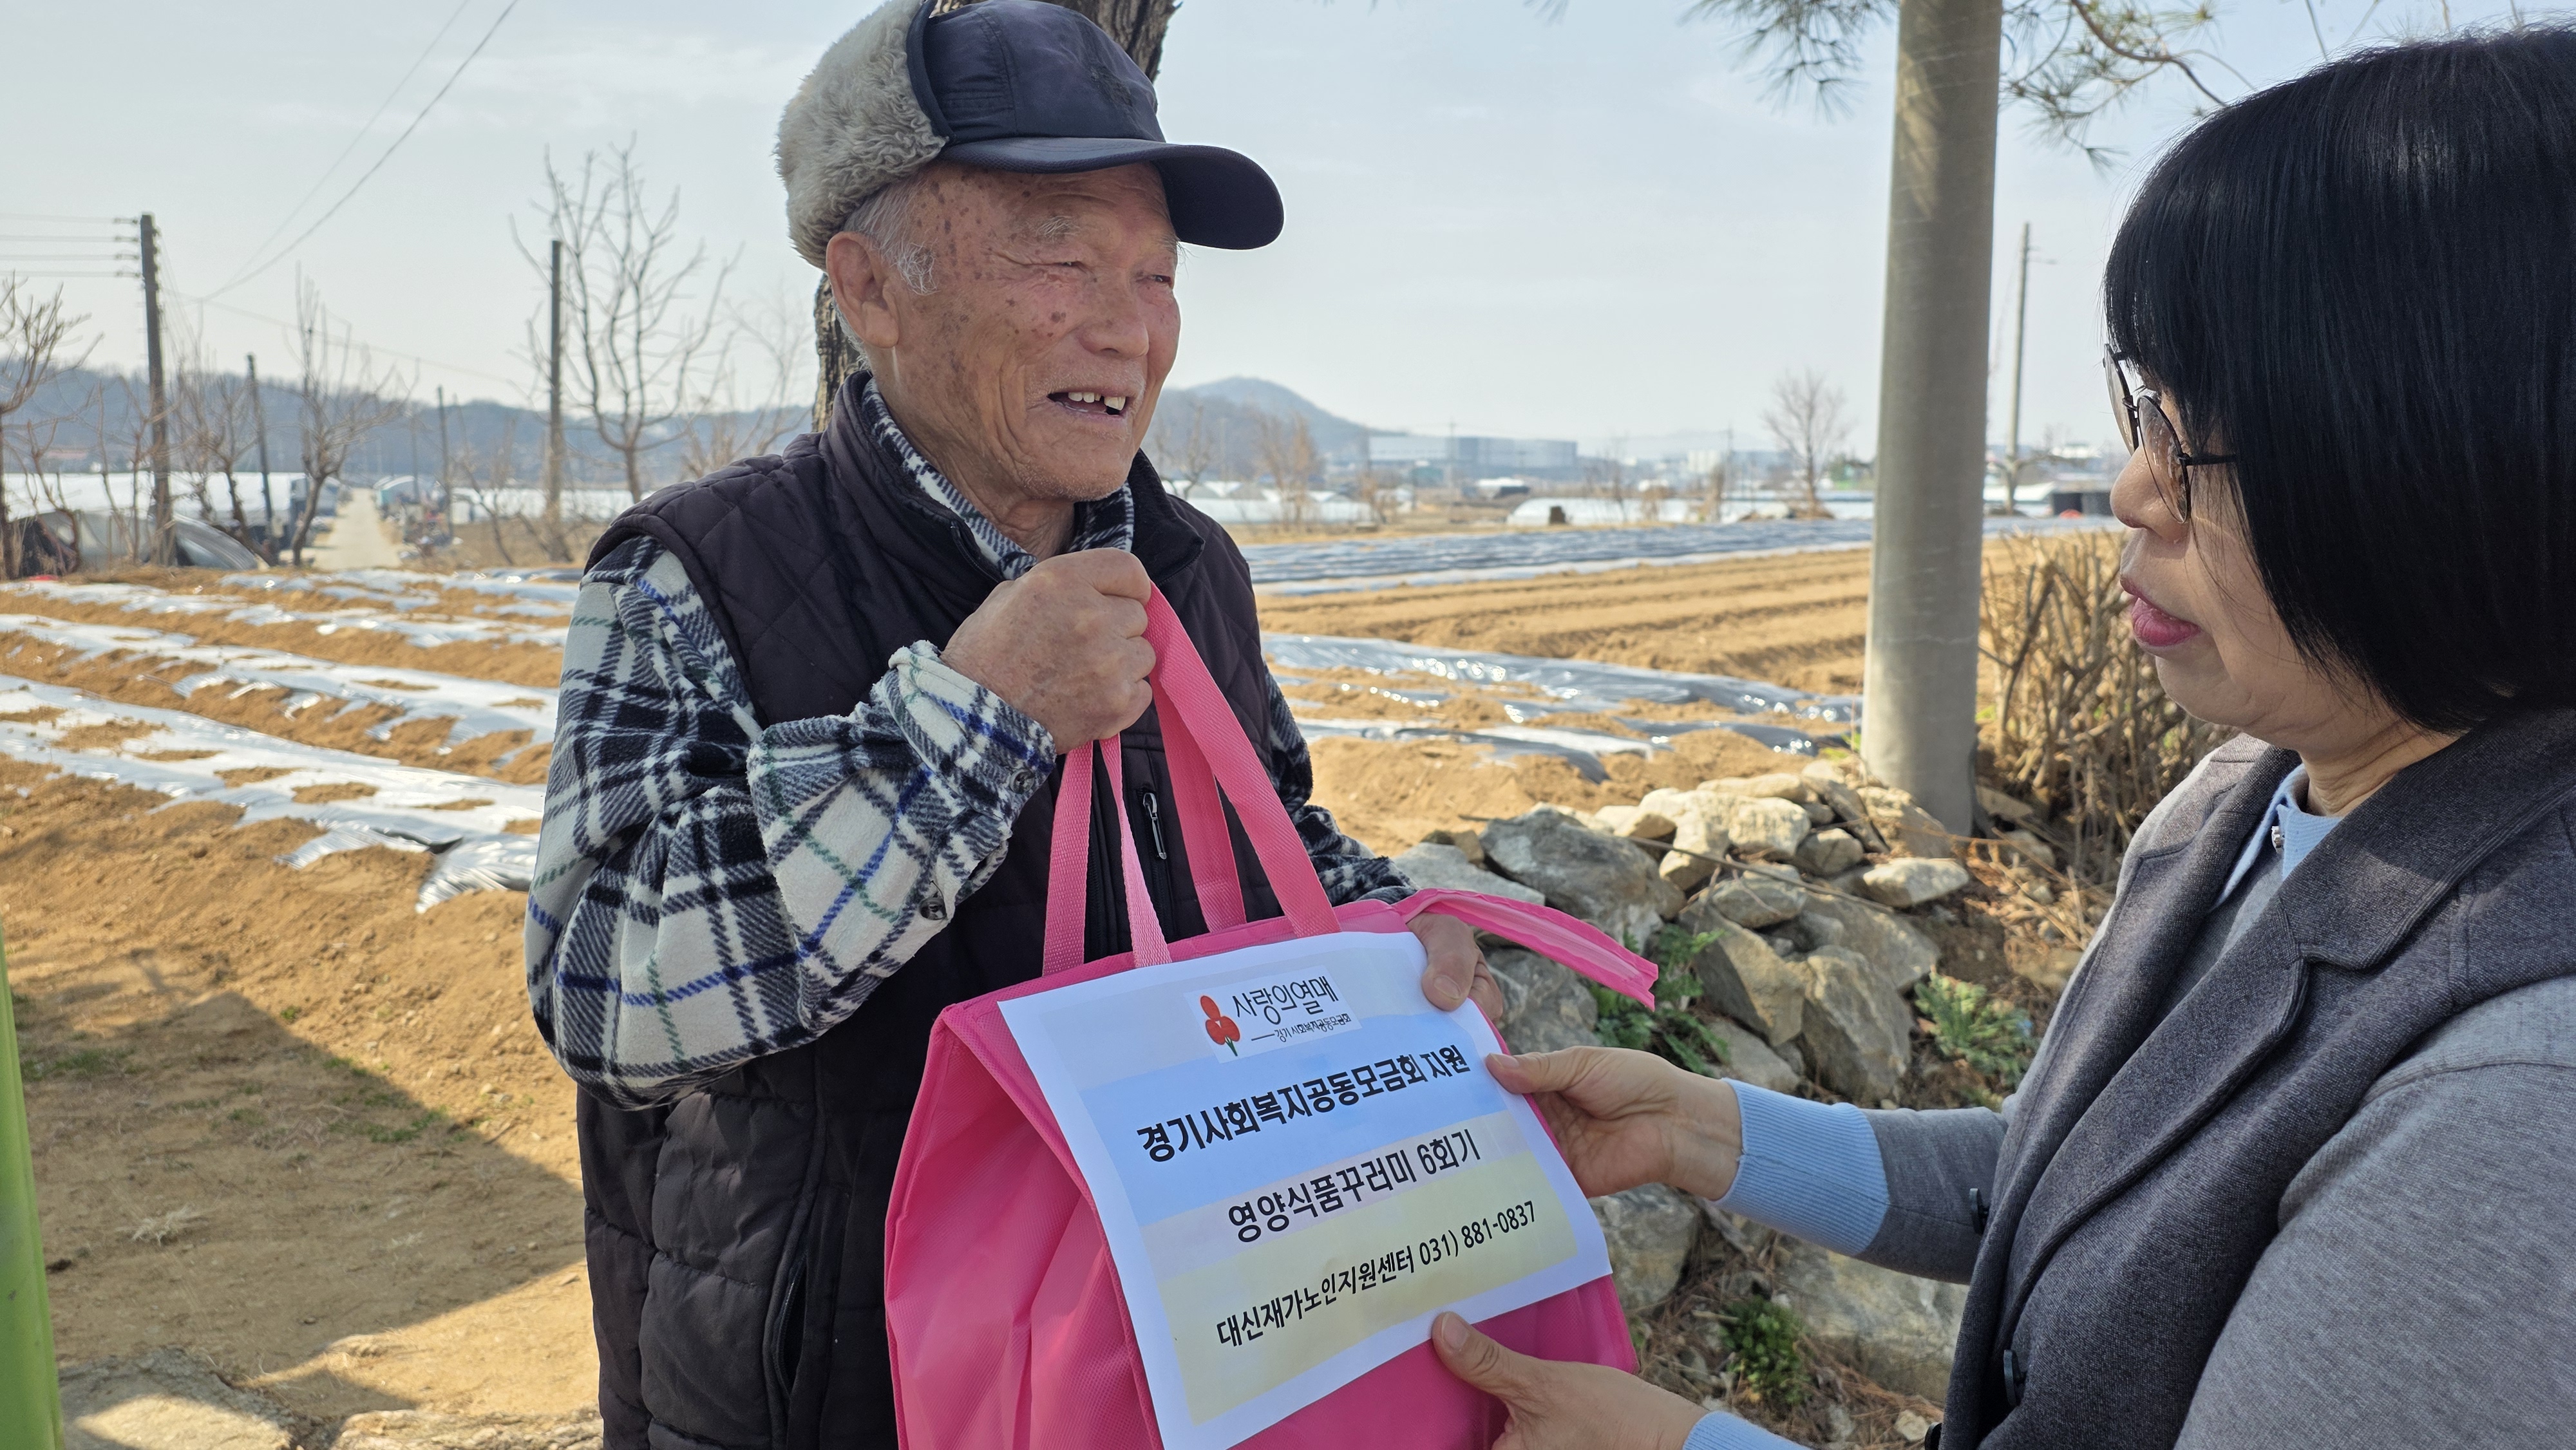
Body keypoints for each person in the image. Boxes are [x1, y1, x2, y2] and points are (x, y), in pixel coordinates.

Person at [1428, 26, 2576, 1450]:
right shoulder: (2247, 804)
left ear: (2457, 465)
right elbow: (2069, 1181)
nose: (2132, 488)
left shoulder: (2515, 1101)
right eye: (2145, 408)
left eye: (2201, 435)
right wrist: (1699, 1129)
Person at [522, 5, 1495, 1447]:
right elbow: (602, 990)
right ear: (870, 289)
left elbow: (1267, 832)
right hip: (841, 1392)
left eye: (1156, 274)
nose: (1129, 327)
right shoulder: (694, 571)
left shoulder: (1190, 568)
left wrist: (1383, 928)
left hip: (1167, 1358)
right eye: (1060, 259)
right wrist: (968, 722)